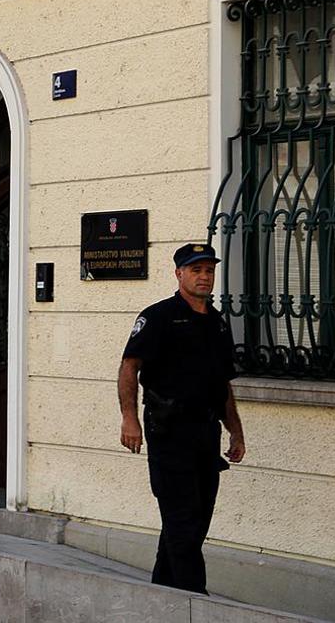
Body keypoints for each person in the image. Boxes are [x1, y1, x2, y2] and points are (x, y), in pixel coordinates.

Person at [118, 242, 245, 594]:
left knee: (194, 519)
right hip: (169, 433)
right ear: (179, 274)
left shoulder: (217, 323)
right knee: (183, 522)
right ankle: (195, 600)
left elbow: (223, 384)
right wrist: (130, 419)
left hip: (206, 434)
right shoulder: (158, 317)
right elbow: (129, 368)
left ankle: (163, 594)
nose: (204, 276)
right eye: (195, 270)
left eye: (209, 270)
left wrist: (235, 432)